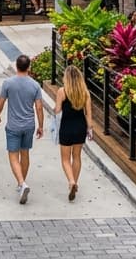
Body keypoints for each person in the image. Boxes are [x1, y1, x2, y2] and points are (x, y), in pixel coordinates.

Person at [0, 54, 44, 205]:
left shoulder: (8, 83)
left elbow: (0, 103)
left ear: (16, 67)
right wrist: (41, 125)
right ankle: (21, 183)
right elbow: (39, 107)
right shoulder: (35, 85)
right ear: (29, 67)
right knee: (25, 153)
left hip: (13, 126)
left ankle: (22, 183)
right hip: (29, 125)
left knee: (13, 156)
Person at [55, 64, 92, 201]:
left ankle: (71, 181)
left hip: (66, 126)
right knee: (77, 156)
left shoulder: (62, 91)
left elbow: (58, 110)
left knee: (65, 158)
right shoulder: (85, 93)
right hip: (80, 126)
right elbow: (88, 114)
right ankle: (74, 182)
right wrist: (90, 128)